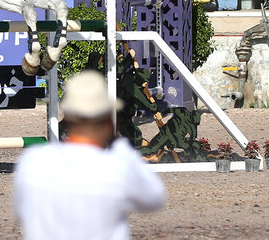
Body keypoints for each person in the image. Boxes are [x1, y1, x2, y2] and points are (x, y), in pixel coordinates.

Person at [14, 70, 165, 240]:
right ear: (108, 121)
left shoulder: (32, 162)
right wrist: (122, 148)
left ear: (68, 117)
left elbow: (22, 212)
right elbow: (154, 198)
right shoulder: (118, 166)